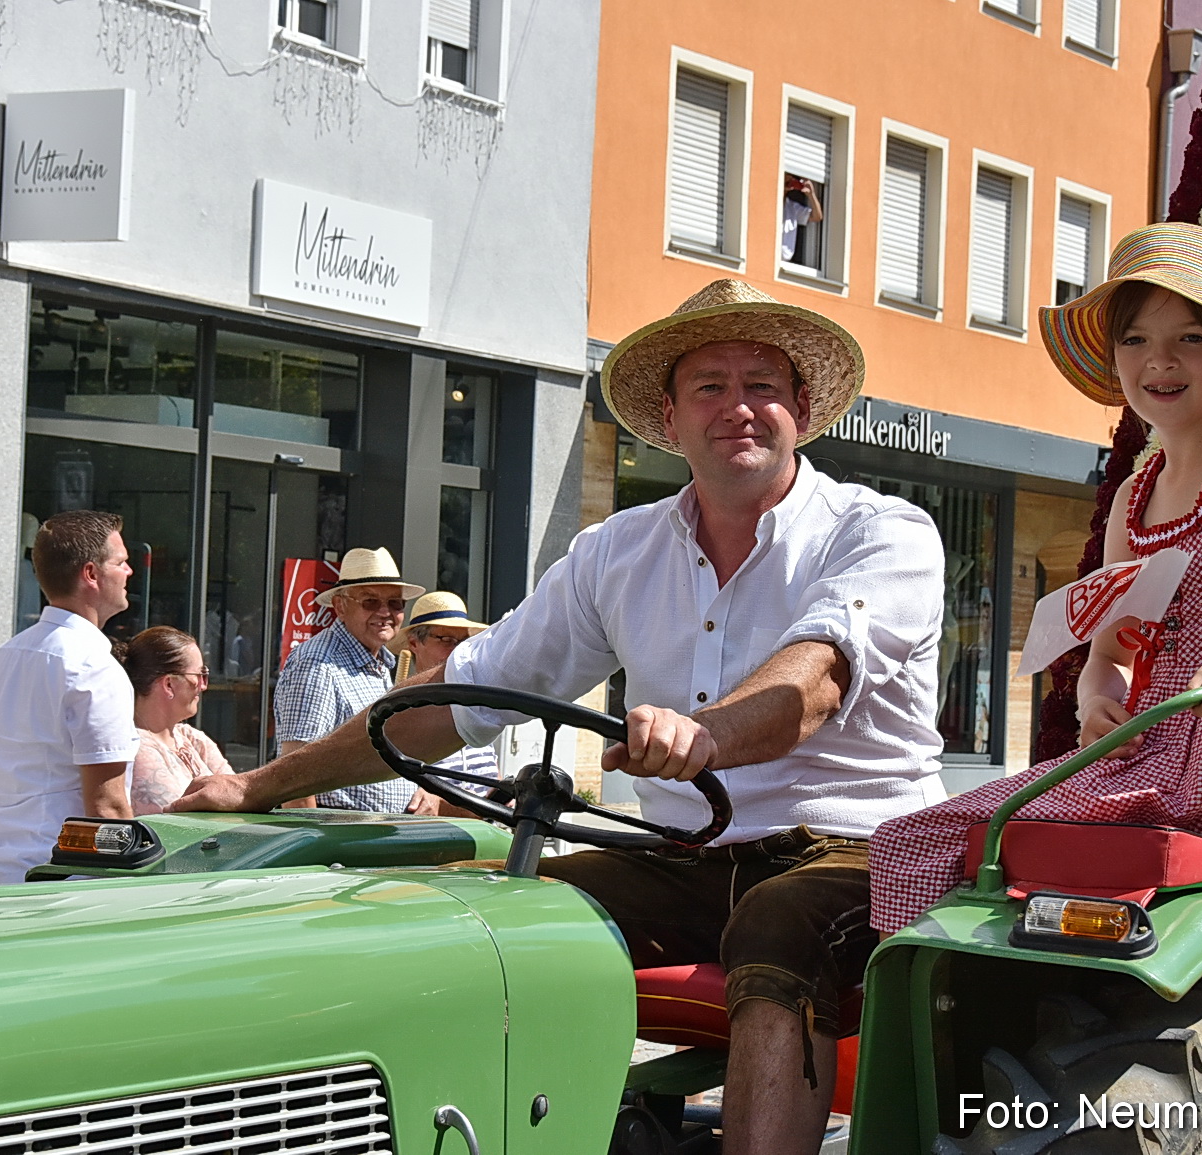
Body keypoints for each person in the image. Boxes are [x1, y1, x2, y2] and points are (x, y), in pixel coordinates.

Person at [174, 278, 948, 1155]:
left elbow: (815, 678)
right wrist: (258, 783)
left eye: (762, 384)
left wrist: (706, 736)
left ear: (801, 409)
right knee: (499, 916)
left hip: (857, 854)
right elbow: (459, 696)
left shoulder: (883, 533)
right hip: (694, 858)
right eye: (711, 385)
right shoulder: (617, 551)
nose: (739, 406)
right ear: (671, 413)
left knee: (779, 923)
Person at [868, 223, 1202, 935]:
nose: (1160, 362)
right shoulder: (1132, 500)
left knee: (965, 839)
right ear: (1115, 357)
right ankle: (941, 1021)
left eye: (1191, 339)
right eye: (1137, 340)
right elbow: (1110, 653)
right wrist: (1096, 699)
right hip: (1145, 760)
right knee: (910, 840)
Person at [0, 510, 140, 886]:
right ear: (91, 574)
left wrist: (7, 852)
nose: (129, 572)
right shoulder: (95, 668)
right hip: (65, 887)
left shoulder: (3, 658)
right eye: (121, 562)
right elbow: (107, 807)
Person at [274, 547, 432, 814]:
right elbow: (294, 775)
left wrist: (417, 790)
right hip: (340, 837)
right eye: (370, 601)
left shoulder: (379, 662)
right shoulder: (317, 664)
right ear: (340, 606)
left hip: (374, 833)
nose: (385, 612)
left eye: (395, 603)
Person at [115, 625, 233, 815]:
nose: (203, 686)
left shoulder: (191, 737)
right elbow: (179, 818)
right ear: (169, 684)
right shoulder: (136, 746)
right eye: (199, 675)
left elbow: (238, 792)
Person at [392, 591, 497, 793]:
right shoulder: (404, 711)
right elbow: (408, 797)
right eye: (446, 639)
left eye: (464, 641)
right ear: (414, 643)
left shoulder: (477, 703)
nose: (458, 650)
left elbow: (491, 772)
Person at [781, 175, 824, 264]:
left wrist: (811, 194)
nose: (789, 180)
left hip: (784, 261)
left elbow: (816, 216)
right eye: (786, 176)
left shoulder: (792, 208)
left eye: (792, 178)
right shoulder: (769, 201)